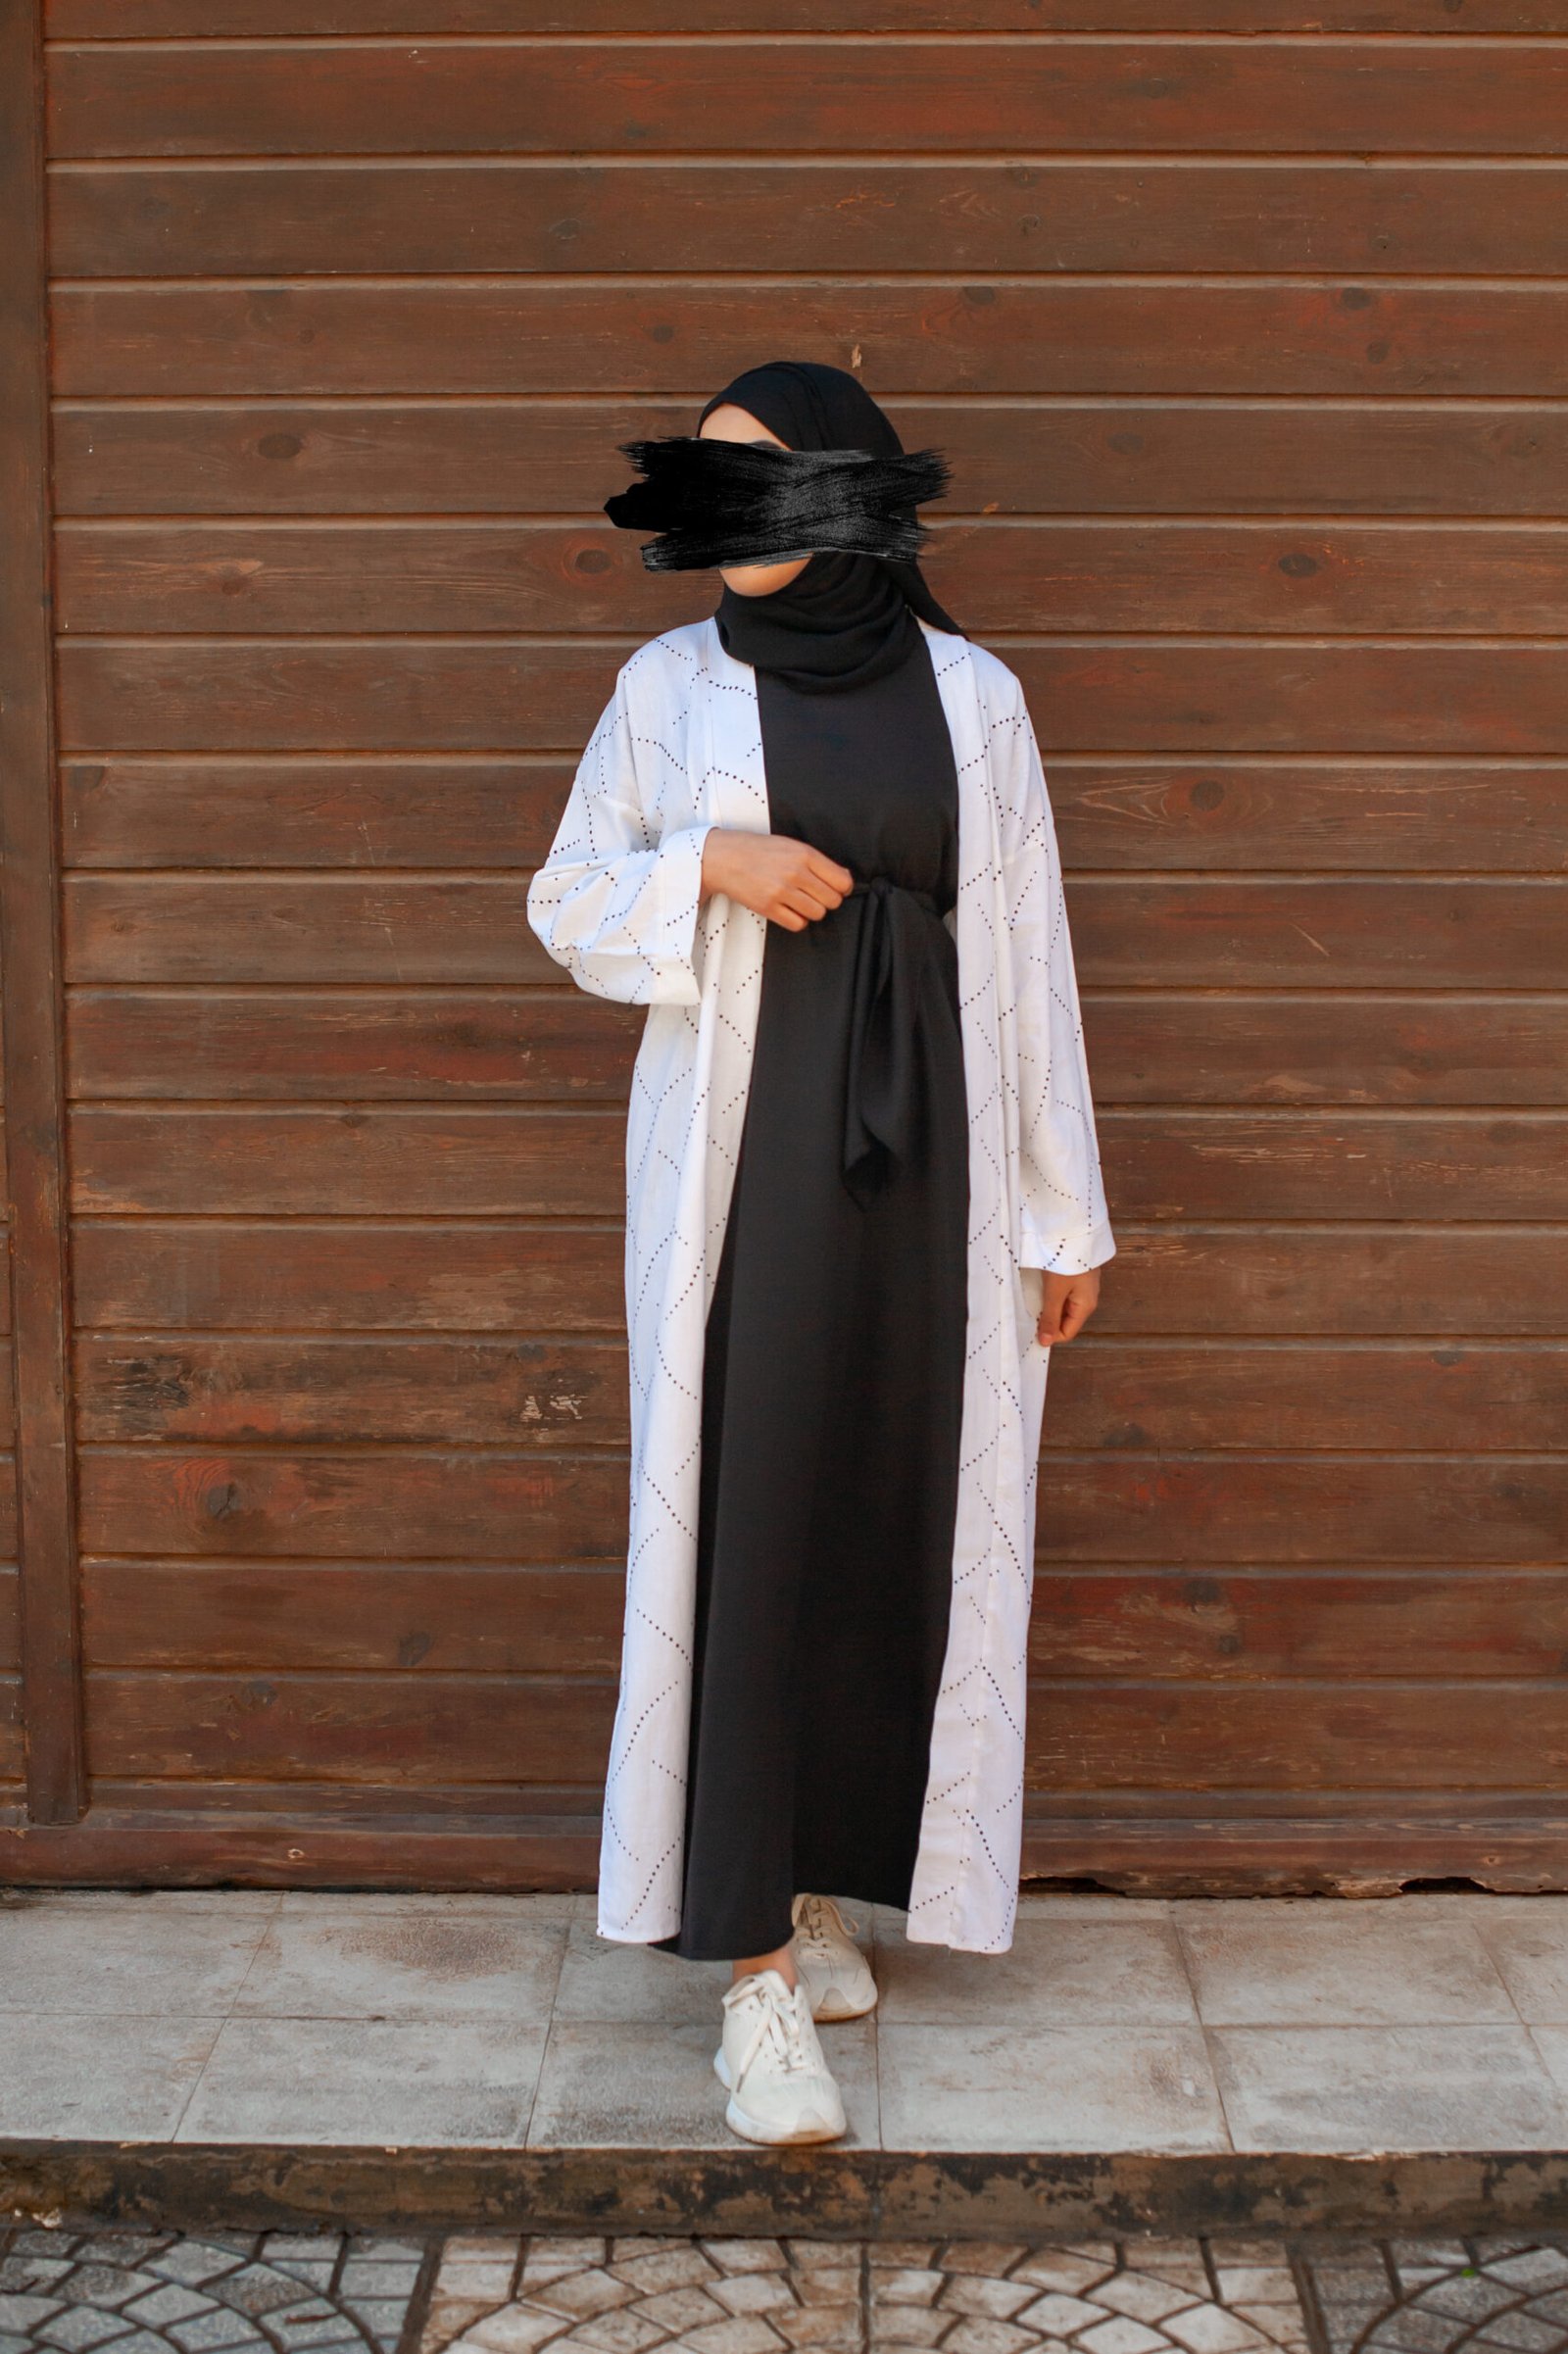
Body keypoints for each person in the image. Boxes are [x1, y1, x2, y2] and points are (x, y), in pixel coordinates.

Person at [527, 360, 1114, 2146]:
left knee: (892, 1503)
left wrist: (1060, 1206)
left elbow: (1031, 951)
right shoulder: (668, 686)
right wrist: (710, 860)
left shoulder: (975, 697)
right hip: (749, 1167)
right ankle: (750, 1978)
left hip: (941, 1164)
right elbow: (569, 899)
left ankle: (816, 1880)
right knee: (754, 1499)